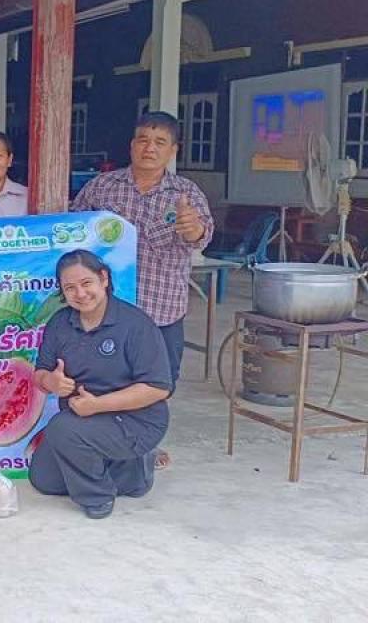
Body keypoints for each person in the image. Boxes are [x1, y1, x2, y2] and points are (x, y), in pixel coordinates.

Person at [71, 111, 213, 471]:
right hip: (109, 309)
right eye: (143, 140)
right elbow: (73, 227)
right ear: (132, 144)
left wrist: (192, 228)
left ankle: (147, 442)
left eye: (160, 142)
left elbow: (202, 235)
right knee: (105, 377)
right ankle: (104, 440)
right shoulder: (103, 187)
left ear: (173, 150)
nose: (150, 148)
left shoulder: (186, 194)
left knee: (158, 381)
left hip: (161, 309)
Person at [29, 250, 173, 519]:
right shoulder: (60, 323)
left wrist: (97, 405)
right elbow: (41, 373)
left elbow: (157, 387)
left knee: (61, 429)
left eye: (87, 283)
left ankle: (98, 496)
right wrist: (51, 381)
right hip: (84, 419)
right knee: (43, 479)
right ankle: (132, 474)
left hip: (136, 420)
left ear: (103, 279)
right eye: (70, 288)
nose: (80, 294)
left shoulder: (135, 324)